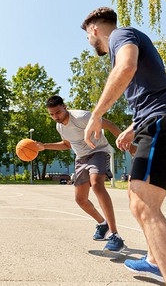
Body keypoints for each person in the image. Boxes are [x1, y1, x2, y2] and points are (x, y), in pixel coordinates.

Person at [82, 7, 166, 284]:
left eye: (87, 36)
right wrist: (131, 129)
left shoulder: (120, 35)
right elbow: (154, 89)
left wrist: (96, 116)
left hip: (160, 121)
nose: (88, 41)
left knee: (144, 205)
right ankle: (155, 260)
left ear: (93, 29)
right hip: (162, 119)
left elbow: (127, 66)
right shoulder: (129, 38)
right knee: (139, 199)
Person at [36, 95, 128, 253]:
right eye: (51, 114)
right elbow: (66, 145)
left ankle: (115, 235)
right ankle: (102, 224)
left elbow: (110, 124)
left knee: (97, 185)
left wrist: (125, 141)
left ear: (65, 107)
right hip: (81, 158)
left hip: (98, 152)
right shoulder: (60, 127)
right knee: (80, 199)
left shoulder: (81, 117)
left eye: (57, 112)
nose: (55, 117)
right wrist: (44, 146)